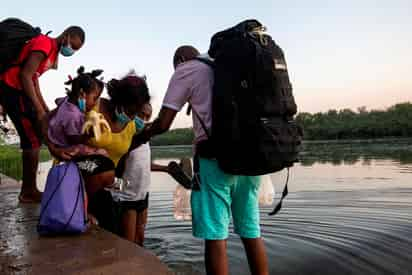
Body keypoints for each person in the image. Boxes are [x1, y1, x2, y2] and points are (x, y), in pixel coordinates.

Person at [138, 46, 269, 275]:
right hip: (251, 158)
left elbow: (163, 123)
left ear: (179, 60)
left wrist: (138, 138)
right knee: (251, 231)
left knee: (216, 236)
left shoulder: (186, 69)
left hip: (215, 161)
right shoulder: (227, 66)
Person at [0, 25, 85, 203]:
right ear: (66, 36)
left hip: (20, 89)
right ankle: (28, 191)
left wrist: (44, 108)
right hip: (12, 87)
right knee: (31, 137)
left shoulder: (52, 52)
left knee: (36, 136)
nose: (71, 51)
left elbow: (34, 79)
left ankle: (30, 188)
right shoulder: (45, 44)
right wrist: (38, 109)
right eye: (73, 46)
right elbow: (24, 75)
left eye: (76, 50)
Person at [86, 72, 151, 233]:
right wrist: (56, 148)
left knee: (114, 234)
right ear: (119, 101)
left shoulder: (132, 124)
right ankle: (82, 208)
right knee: (102, 160)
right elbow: (49, 120)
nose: (132, 117)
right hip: (80, 175)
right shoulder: (93, 106)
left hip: (107, 185)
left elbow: (131, 156)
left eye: (137, 112)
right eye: (130, 111)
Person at [46, 66, 115, 196]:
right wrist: (88, 135)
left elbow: (58, 100)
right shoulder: (72, 115)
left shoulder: (66, 102)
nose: (95, 103)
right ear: (82, 94)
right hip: (68, 147)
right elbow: (74, 138)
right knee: (102, 153)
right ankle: (110, 183)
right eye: (94, 98)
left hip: (60, 141)